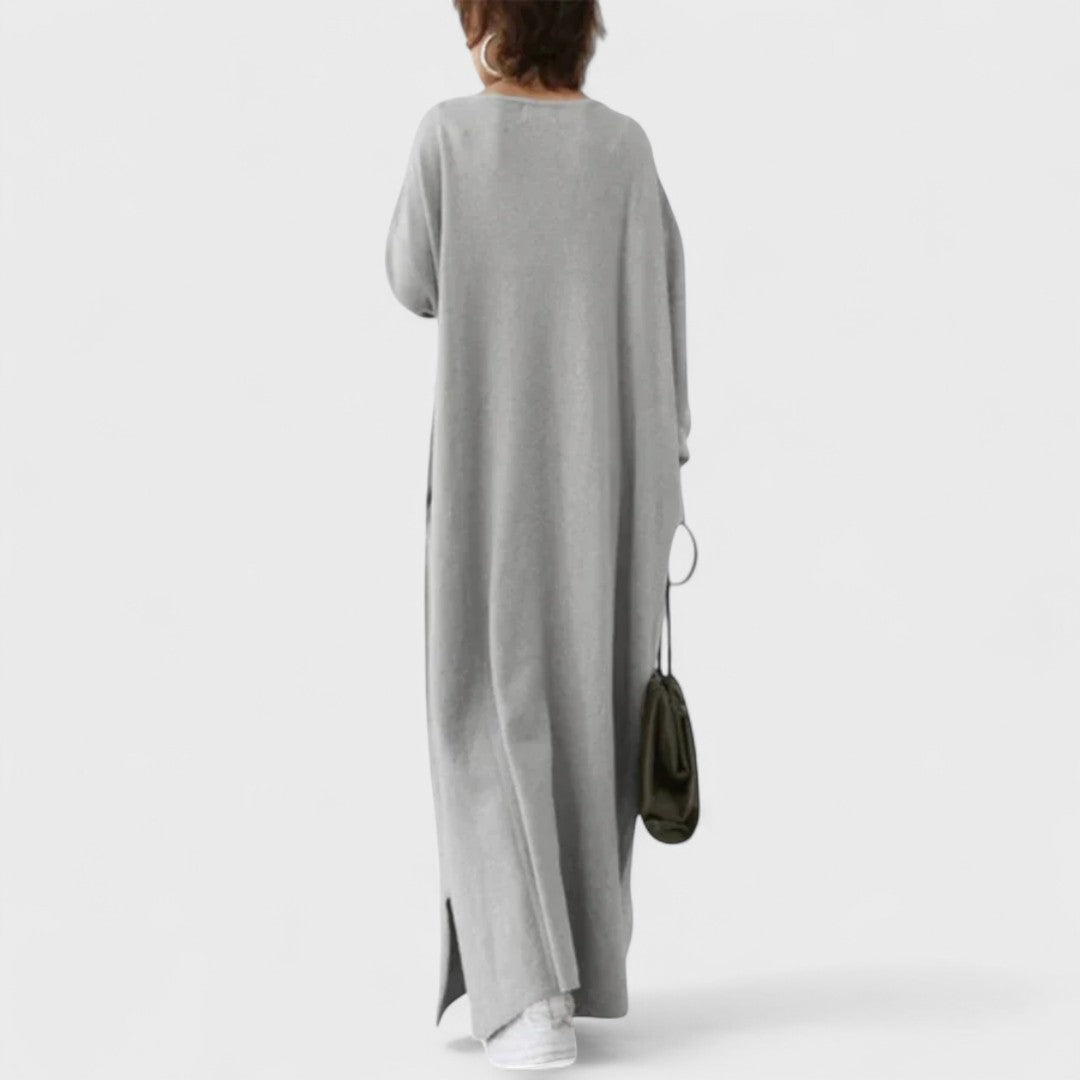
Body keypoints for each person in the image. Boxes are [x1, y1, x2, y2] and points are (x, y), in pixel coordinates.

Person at [385, 0, 691, 1069]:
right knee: (580, 703)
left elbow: (411, 280)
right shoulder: (625, 149)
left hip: (492, 474)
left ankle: (529, 995)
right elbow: (665, 307)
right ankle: (535, 968)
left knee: (479, 702)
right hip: (608, 481)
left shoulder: (448, 136)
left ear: (487, 19)